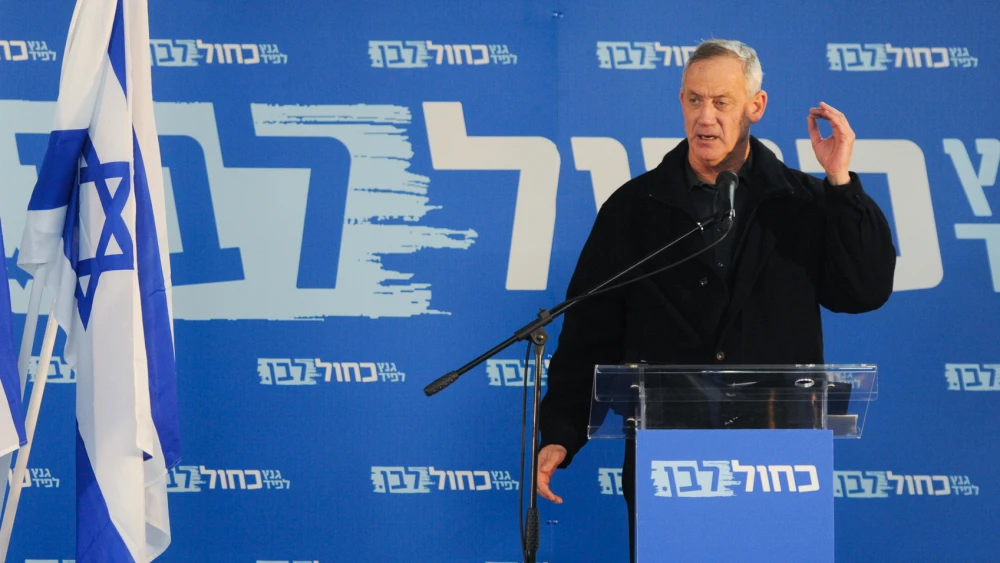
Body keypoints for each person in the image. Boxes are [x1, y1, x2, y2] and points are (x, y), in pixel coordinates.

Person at [535, 39, 897, 561]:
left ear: (756, 106)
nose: (705, 118)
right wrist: (562, 431)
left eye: (722, 102)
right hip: (669, 461)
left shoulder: (803, 203)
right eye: (694, 100)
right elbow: (591, 331)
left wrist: (839, 184)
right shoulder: (635, 208)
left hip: (777, 458)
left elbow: (864, 290)